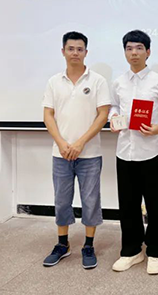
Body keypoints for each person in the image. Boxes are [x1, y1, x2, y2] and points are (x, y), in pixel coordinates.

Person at [109, 30, 158, 275]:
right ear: (125, 52)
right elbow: (113, 106)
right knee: (127, 206)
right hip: (124, 152)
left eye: (139, 48)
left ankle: (155, 252)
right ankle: (131, 251)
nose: (134, 53)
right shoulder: (118, 82)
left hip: (150, 152)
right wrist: (113, 118)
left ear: (148, 52)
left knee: (154, 205)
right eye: (129, 48)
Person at [41, 31, 110, 270]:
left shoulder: (98, 81)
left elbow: (103, 115)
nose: (75, 53)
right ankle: (63, 244)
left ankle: (88, 245)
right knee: (61, 201)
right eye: (70, 49)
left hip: (89, 153)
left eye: (80, 49)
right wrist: (61, 142)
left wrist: (80, 142)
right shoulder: (54, 82)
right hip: (60, 153)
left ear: (86, 52)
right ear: (63, 51)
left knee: (90, 201)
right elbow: (48, 115)